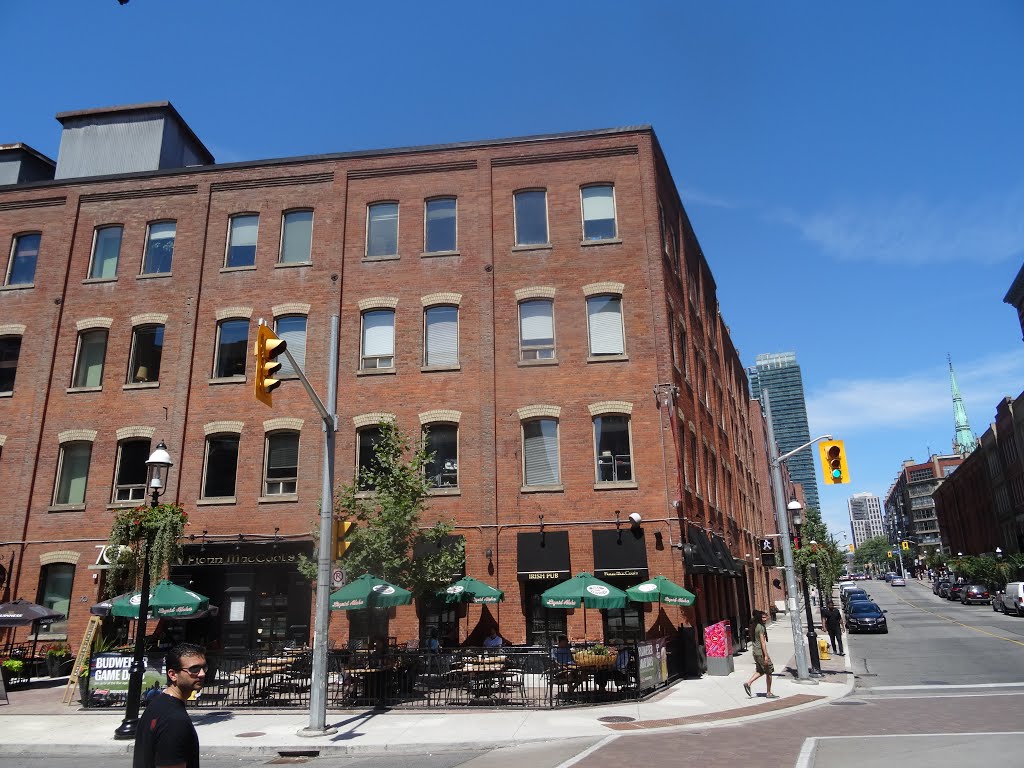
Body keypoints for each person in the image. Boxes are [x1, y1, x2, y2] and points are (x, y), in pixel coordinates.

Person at [133, 641, 206, 768]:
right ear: (173, 675)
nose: (202, 674)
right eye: (194, 669)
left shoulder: (157, 705)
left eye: (204, 668)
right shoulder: (175, 720)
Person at [743, 609, 777, 699]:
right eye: (763, 617)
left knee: (761, 671)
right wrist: (766, 655)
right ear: (759, 618)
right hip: (760, 653)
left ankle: (748, 683)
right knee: (769, 671)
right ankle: (769, 693)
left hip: (755, 652)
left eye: (766, 617)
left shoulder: (754, 626)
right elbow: (763, 643)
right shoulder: (760, 627)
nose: (765, 619)